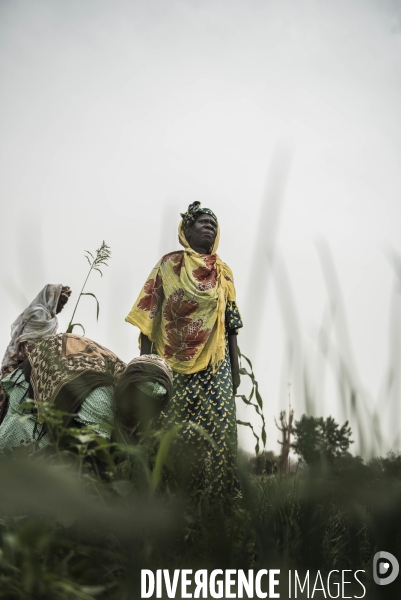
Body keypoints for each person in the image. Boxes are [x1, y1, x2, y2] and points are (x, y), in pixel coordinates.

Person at [125, 201, 243, 501]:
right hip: (169, 365)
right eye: (203, 222)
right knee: (165, 430)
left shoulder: (224, 273)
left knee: (221, 428)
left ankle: (221, 499)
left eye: (214, 225)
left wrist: (235, 367)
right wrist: (147, 364)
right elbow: (148, 314)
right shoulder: (169, 265)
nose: (210, 228)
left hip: (215, 367)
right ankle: (161, 495)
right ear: (186, 230)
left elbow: (230, 324)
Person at [0, 333, 173, 458]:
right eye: (135, 396)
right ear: (125, 386)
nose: (138, 406)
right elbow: (95, 457)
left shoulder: (145, 413)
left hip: (72, 376)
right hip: (42, 371)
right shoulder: (101, 399)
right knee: (24, 437)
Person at [0, 284, 72, 423]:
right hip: (20, 364)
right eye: (60, 302)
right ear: (51, 298)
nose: (62, 306)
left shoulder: (53, 321)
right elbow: (28, 343)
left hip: (35, 365)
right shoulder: (38, 313)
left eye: (64, 303)